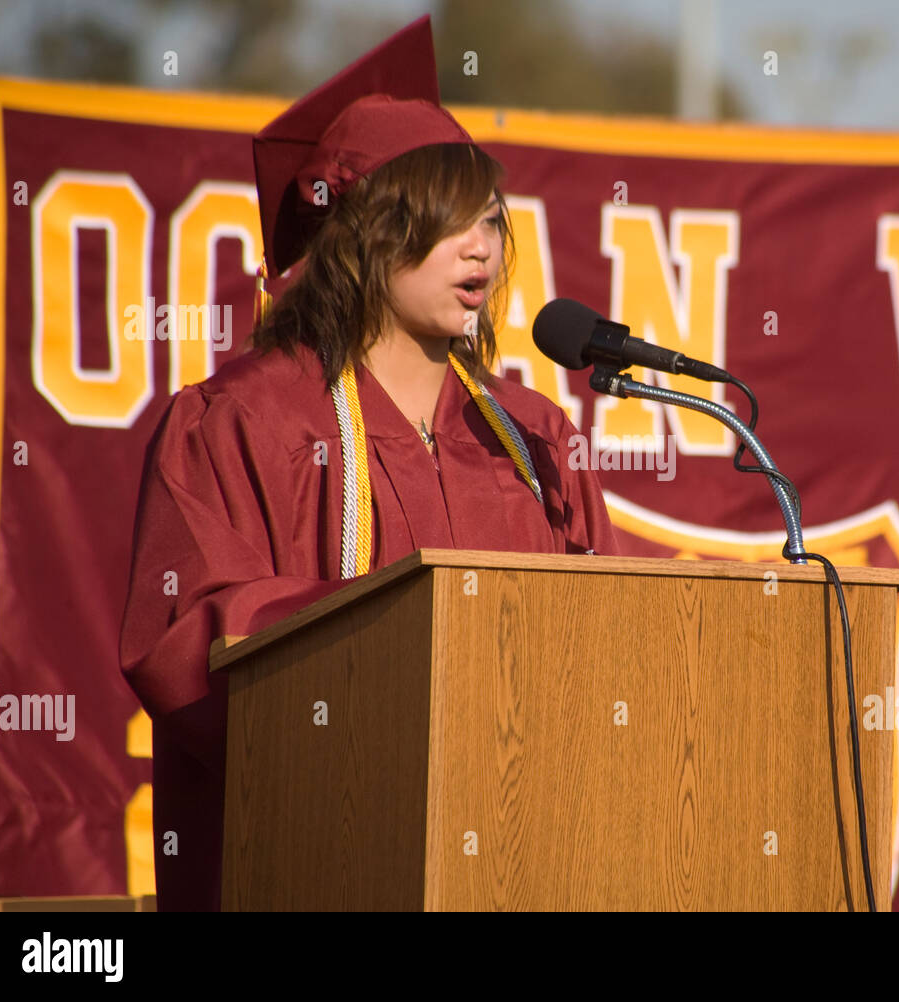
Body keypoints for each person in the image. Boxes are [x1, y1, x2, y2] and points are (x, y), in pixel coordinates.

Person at [118, 17, 618, 911]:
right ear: (364, 234)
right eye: (449, 221)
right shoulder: (239, 420)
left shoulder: (534, 436)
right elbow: (185, 644)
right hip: (321, 865)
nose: (483, 247)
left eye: (492, 222)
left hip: (520, 868)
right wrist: (403, 652)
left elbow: (600, 634)